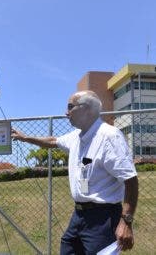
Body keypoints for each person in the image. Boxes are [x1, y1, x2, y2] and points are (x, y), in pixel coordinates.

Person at [11, 90, 138, 254]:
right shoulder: (77, 136)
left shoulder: (109, 136)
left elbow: (131, 180)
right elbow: (52, 141)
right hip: (79, 215)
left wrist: (126, 222)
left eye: (70, 107)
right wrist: (25, 138)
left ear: (87, 109)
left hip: (103, 218)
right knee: (67, 247)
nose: (66, 112)